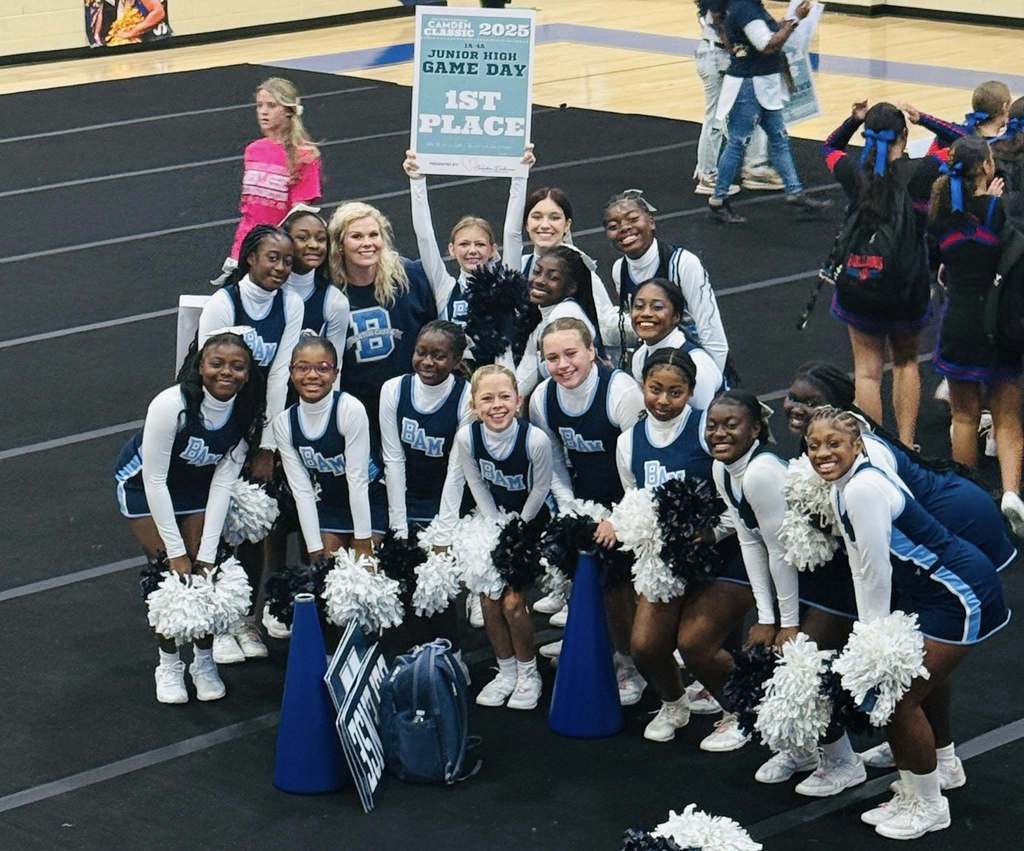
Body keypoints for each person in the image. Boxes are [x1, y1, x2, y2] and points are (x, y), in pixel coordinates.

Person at [805, 407, 1008, 841]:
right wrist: (871, 636)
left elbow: (875, 570)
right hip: (933, 590)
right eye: (813, 446)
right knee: (904, 689)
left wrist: (872, 644)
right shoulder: (844, 486)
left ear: (857, 445)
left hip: (958, 591)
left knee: (894, 696)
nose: (822, 453)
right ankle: (932, 774)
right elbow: (862, 566)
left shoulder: (862, 489)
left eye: (833, 443)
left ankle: (930, 806)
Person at [706, 390, 866, 796]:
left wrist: (785, 623)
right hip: (797, 576)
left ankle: (843, 761)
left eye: (731, 425)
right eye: (712, 425)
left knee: (803, 663)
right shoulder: (723, 469)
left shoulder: (760, 473)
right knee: (776, 656)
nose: (719, 433)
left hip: (830, 581)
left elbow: (780, 551)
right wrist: (766, 617)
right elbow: (750, 541)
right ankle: (802, 749)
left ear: (755, 429)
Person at [596, 349, 754, 749]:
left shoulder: (708, 429)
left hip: (724, 554)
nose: (663, 400)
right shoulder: (629, 441)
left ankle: (740, 711)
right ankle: (674, 703)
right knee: (645, 646)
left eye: (675, 392)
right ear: (643, 387)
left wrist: (712, 533)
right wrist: (623, 526)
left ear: (691, 391)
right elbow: (633, 498)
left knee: (695, 644)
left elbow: (739, 496)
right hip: (667, 559)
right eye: (655, 390)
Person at [115, 330, 265, 704]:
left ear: (248, 373)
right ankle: (168, 664)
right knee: (170, 576)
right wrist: (176, 551)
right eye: (217, 363)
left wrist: (207, 554)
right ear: (200, 366)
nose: (226, 372)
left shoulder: (245, 411)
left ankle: (203, 661)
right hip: (144, 487)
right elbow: (154, 479)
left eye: (237, 366)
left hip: (198, 487)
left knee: (207, 575)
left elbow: (223, 483)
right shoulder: (172, 405)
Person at [529, 318, 646, 703]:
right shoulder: (542, 399)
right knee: (587, 580)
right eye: (552, 358)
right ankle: (597, 645)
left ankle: (631, 665)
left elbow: (640, 464)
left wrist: (618, 518)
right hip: (585, 503)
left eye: (571, 354)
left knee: (620, 587)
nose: (563, 365)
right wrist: (570, 510)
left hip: (630, 501)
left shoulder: (621, 393)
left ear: (592, 351)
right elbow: (553, 461)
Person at [822, 100, 943, 447]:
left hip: (860, 283)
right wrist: (927, 119)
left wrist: (852, 120)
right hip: (907, 288)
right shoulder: (922, 172)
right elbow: (963, 140)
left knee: (867, 372)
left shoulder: (852, 173)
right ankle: (906, 444)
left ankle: (876, 449)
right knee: (906, 363)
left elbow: (829, 147)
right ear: (903, 136)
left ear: (867, 136)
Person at [928, 137, 1024, 532]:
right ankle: (1011, 494)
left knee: (964, 416)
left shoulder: (940, 213)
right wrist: (996, 202)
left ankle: (966, 498)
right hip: (1000, 324)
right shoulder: (1001, 210)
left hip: (959, 325)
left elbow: (940, 263)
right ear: (987, 167)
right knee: (1007, 417)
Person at [327, 201, 439, 536]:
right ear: (339, 244)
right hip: (359, 411)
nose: (367, 243)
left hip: (407, 406)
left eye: (373, 235)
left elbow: (434, 330)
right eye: (356, 236)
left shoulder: (410, 277)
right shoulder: (330, 290)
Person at [453, 365, 553, 711]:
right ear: (474, 405)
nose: (497, 405)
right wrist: (495, 525)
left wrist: (516, 529)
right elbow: (476, 483)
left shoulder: (535, 440)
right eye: (487, 398)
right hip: (492, 520)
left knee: (512, 603)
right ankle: (506, 671)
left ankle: (528, 672)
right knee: (488, 602)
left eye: (504, 397)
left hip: (530, 523)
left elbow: (541, 487)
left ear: (518, 400)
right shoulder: (467, 438)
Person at [707, 0, 831, 223]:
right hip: (750, 85)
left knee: (779, 138)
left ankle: (795, 191)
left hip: (763, 83)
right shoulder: (746, 9)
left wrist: (788, 21)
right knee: (738, 143)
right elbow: (766, 44)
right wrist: (795, 20)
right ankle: (718, 198)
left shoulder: (750, 7)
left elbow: (767, 33)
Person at [199, 225, 303, 485]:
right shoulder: (223, 303)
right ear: (251, 258)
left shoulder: (291, 304)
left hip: (261, 412)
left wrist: (267, 446)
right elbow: (206, 377)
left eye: (288, 261)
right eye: (272, 258)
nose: (280, 268)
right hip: (218, 410)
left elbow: (279, 376)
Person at [403, 147, 535, 325]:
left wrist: (519, 175)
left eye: (480, 244)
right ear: (452, 249)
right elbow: (424, 237)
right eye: (464, 244)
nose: (472, 250)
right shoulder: (445, 290)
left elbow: (513, 234)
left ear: (492, 249)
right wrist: (417, 180)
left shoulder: (506, 283)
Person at [272, 335, 374, 561]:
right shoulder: (284, 423)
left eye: (323, 368)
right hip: (330, 503)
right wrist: (314, 549)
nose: (312, 375)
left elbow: (358, 479)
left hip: (370, 500)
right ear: (291, 372)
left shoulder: (349, 409)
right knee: (325, 571)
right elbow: (302, 490)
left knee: (366, 570)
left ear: (336, 373)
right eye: (303, 368)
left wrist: (363, 540)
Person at [604, 190, 729, 371]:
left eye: (633, 219)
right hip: (654, 366)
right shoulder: (619, 270)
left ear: (651, 222)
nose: (624, 228)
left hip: (693, 365)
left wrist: (714, 378)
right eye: (613, 226)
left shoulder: (683, 264)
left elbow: (711, 331)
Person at [212, 78, 322, 285]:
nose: (263, 112)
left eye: (271, 105)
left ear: (288, 110)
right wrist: (238, 251)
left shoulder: (305, 156)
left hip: (278, 252)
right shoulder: (253, 150)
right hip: (247, 245)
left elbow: (298, 217)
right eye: (259, 105)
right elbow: (249, 209)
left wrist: (276, 252)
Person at [504, 185, 621, 354]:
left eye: (554, 218)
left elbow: (606, 324)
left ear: (567, 225)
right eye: (537, 217)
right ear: (526, 225)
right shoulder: (523, 264)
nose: (545, 225)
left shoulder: (578, 268)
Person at [693, 0, 781, 195]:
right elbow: (717, 18)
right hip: (718, 55)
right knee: (717, 116)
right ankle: (708, 173)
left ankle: (754, 167)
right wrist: (730, 46)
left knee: (752, 109)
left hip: (719, 53)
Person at [515, 244, 605, 397]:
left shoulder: (565, 316)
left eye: (553, 277)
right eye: (537, 272)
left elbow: (531, 373)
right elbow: (526, 372)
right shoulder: (543, 317)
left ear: (571, 288)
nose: (539, 280)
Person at [628, 278, 724, 410]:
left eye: (657, 307)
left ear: (676, 316)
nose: (646, 313)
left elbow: (704, 418)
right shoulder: (640, 356)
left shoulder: (698, 365)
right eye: (639, 306)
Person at [280, 206, 349, 359]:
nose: (314, 245)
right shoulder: (265, 293)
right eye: (302, 238)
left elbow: (334, 365)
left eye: (321, 239)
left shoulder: (334, 302)